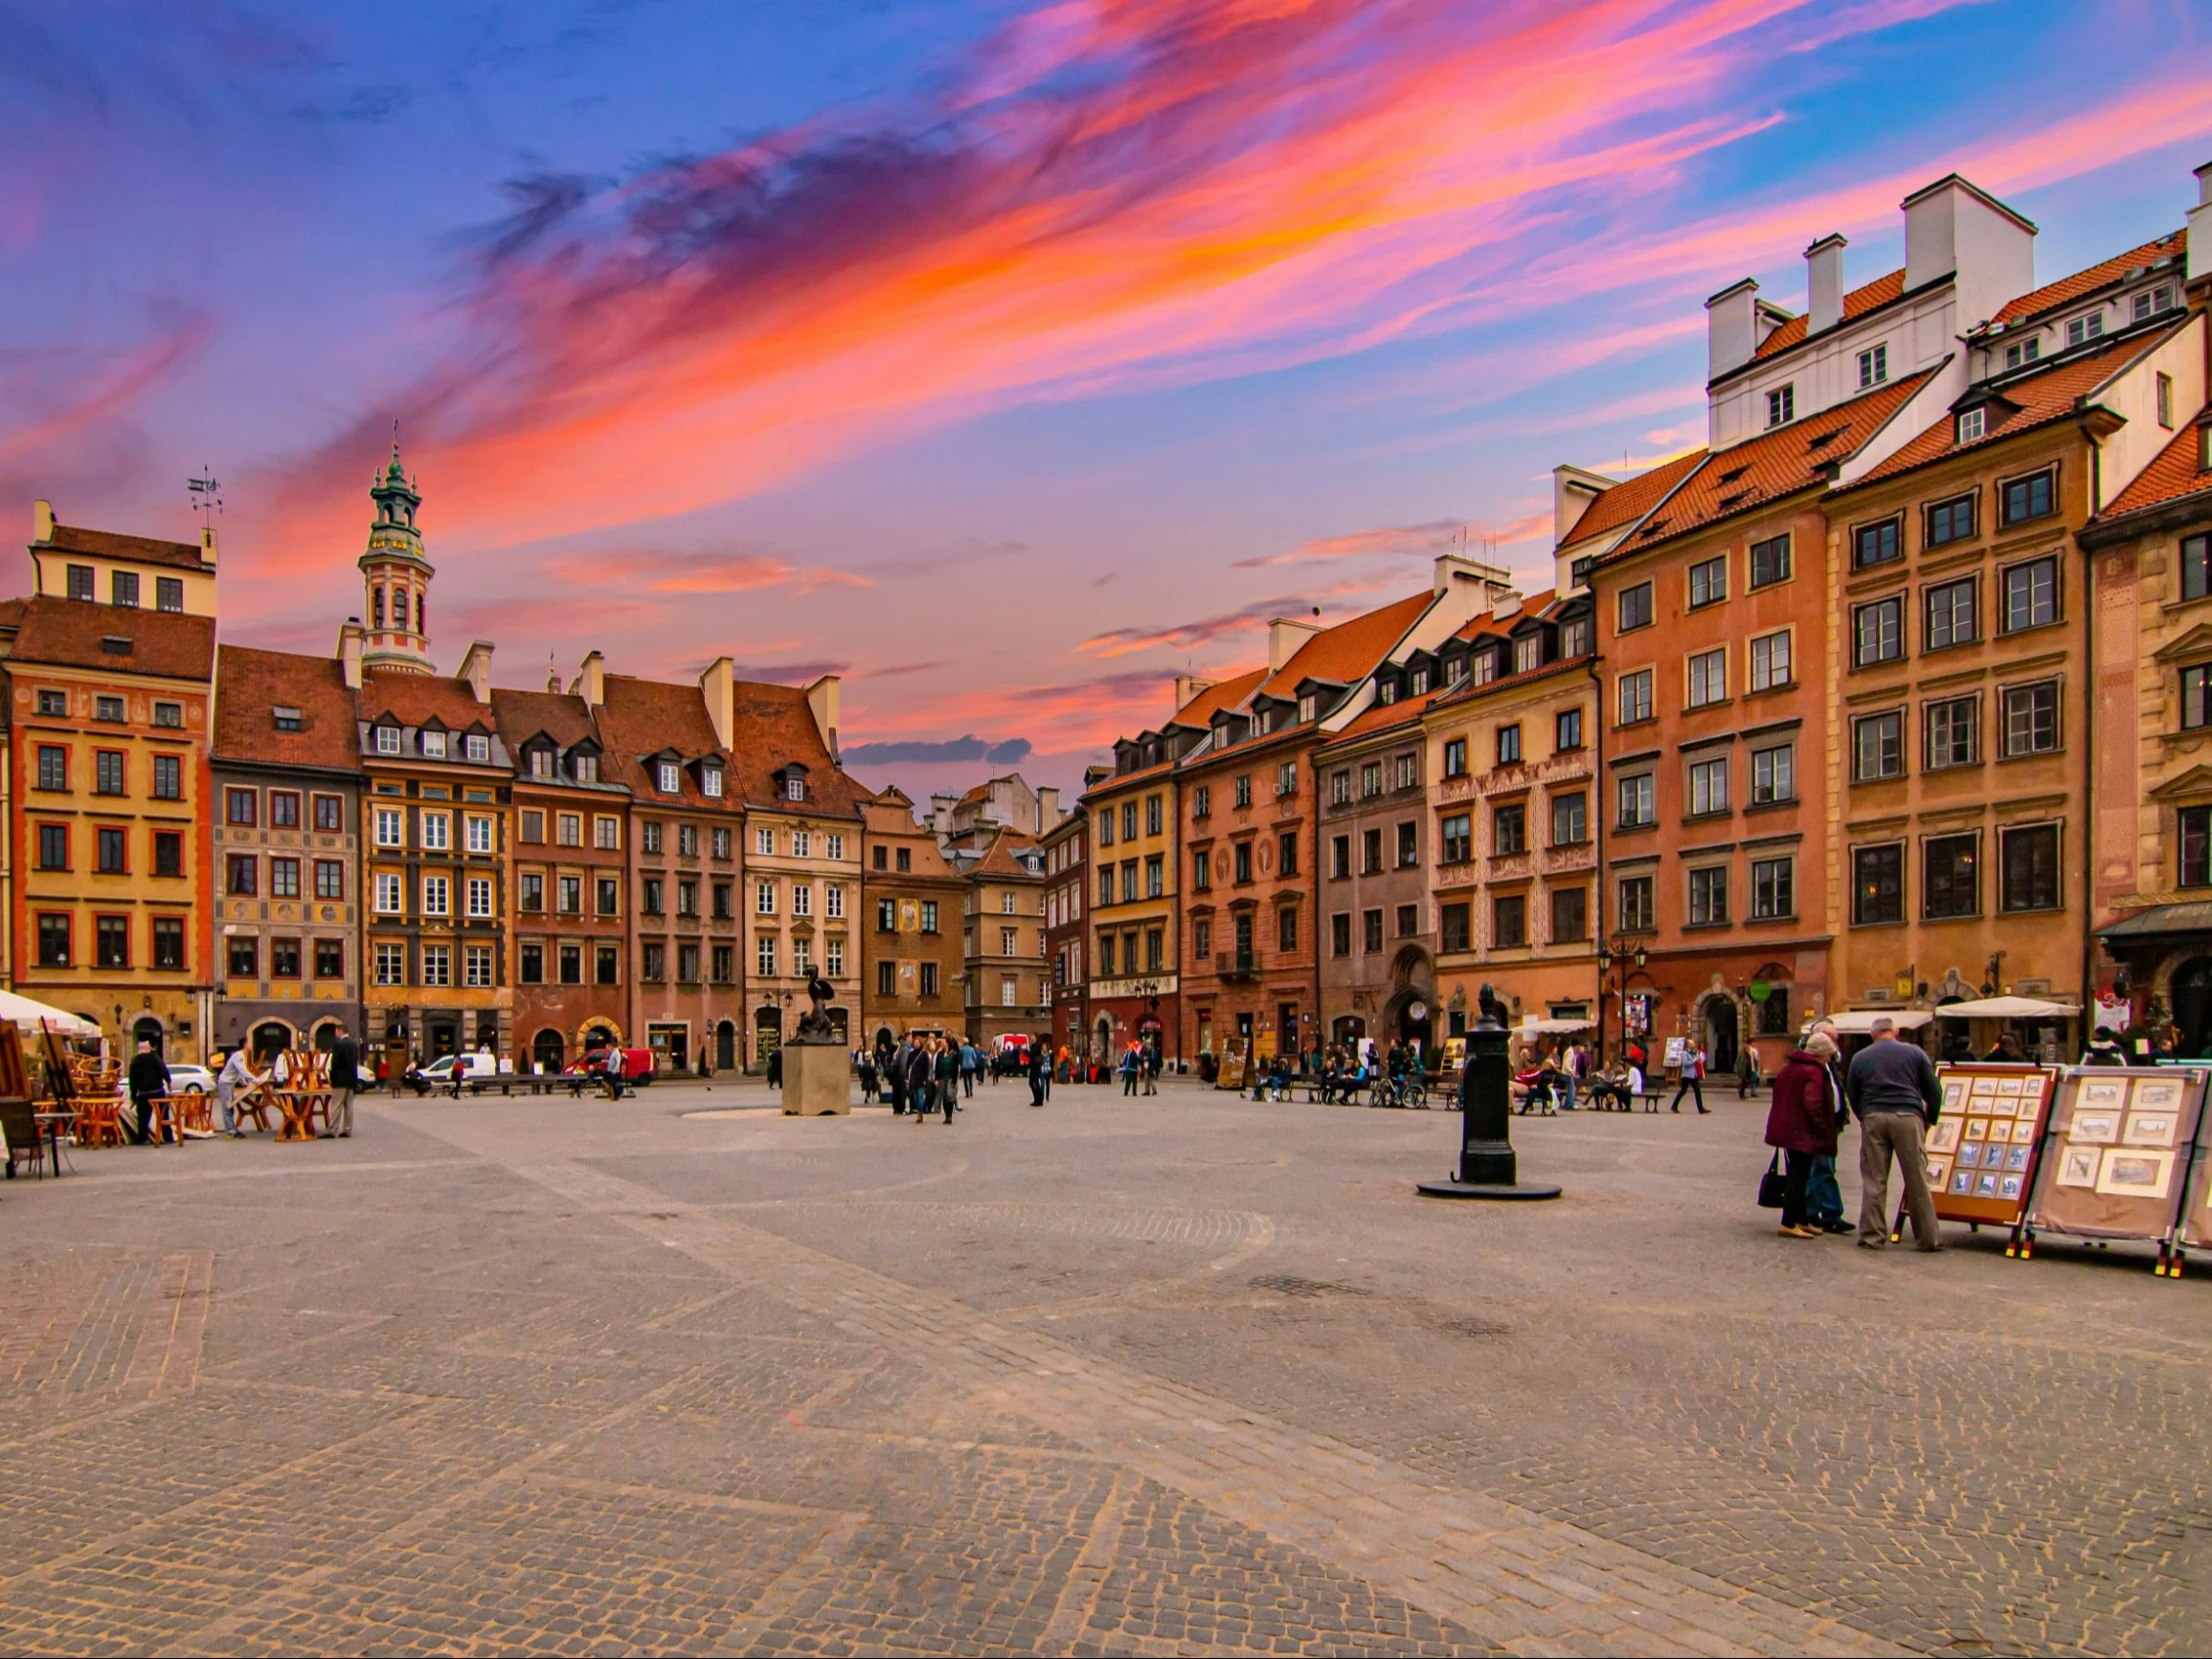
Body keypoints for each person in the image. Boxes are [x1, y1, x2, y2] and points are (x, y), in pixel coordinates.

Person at [1847, 1016, 1943, 1251]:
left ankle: (1872, 1235)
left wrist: (1864, 1115)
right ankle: (1928, 1238)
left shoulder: (1860, 1057)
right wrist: (1930, 1118)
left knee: (1874, 1178)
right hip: (1907, 1115)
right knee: (1916, 1178)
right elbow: (1934, 1090)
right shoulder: (1915, 1053)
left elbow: (1852, 1092)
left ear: (1872, 1035)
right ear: (1896, 1031)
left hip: (1874, 1115)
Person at [1764, 1036, 1840, 1237]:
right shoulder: (1813, 1071)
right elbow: (1812, 1103)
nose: (1829, 1060)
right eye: (1829, 1055)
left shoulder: (1789, 1068)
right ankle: (1789, 1222)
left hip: (1789, 1129)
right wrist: (1822, 1127)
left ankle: (1801, 1219)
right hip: (1801, 1131)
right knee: (1798, 1178)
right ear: (1822, 1054)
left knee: (1801, 1175)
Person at [1802, 1019, 1852, 1234]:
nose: (1836, 1044)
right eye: (1833, 1039)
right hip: (1819, 1127)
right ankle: (1818, 1213)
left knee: (1825, 1169)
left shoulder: (1828, 1064)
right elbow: (1811, 1101)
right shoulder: (1812, 1067)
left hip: (1830, 1124)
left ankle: (1827, 1213)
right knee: (1820, 1169)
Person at [125, 1038, 172, 1146]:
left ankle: (142, 1139)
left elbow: (133, 1081)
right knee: (163, 1115)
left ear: (139, 1050)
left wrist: (133, 1096)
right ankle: (168, 1137)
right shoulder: (155, 1057)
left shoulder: (135, 1061)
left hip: (143, 1094)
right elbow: (163, 1070)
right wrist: (169, 1081)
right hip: (158, 1092)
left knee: (143, 1118)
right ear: (148, 1049)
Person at [213, 1044, 260, 1137]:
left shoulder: (241, 1056)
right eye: (249, 1042)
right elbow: (242, 1070)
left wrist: (244, 1083)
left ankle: (232, 1129)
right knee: (227, 1107)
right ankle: (230, 1132)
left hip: (229, 1083)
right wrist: (255, 1080)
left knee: (230, 1107)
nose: (251, 1044)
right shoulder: (239, 1055)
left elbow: (238, 1072)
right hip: (225, 1083)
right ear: (245, 1045)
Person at [328, 1022, 360, 1137]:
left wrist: (332, 1076)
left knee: (336, 1106)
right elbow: (355, 1062)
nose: (335, 1033)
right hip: (351, 1080)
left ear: (340, 1031)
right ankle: (347, 1129)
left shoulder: (338, 1044)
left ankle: (332, 1130)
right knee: (349, 1106)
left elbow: (335, 1063)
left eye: (336, 1031)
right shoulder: (353, 1045)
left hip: (340, 1080)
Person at [1670, 1041, 1709, 1113]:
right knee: (1683, 1091)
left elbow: (1696, 1061)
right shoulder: (1684, 1053)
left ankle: (1701, 1109)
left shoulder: (1692, 1053)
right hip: (1686, 1075)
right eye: (1692, 1043)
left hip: (1694, 1075)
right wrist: (1695, 1060)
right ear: (1688, 1045)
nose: (1694, 1044)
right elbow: (1685, 1064)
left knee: (1697, 1090)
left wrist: (1699, 1059)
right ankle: (1674, 1106)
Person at [936, 1038, 960, 1122]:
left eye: (942, 1042)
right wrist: (936, 1078)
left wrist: (955, 1079)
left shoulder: (954, 1054)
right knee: (944, 1097)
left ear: (947, 1043)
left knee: (950, 1096)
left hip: (951, 1077)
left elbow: (956, 1068)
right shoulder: (940, 1054)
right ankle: (947, 1116)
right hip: (942, 1077)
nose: (941, 1043)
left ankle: (950, 1116)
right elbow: (937, 1067)